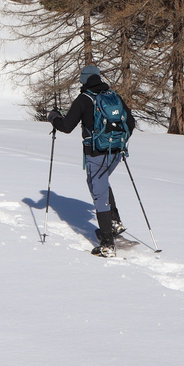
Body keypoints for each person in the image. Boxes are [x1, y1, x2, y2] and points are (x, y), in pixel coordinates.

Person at [46, 65, 136, 257]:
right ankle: (113, 221)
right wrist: (117, 141)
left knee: (99, 193)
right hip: (117, 152)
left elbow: (67, 126)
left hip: (96, 153)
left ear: (84, 80)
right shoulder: (112, 96)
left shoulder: (84, 99)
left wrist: (53, 117)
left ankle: (107, 244)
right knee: (99, 184)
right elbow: (131, 123)